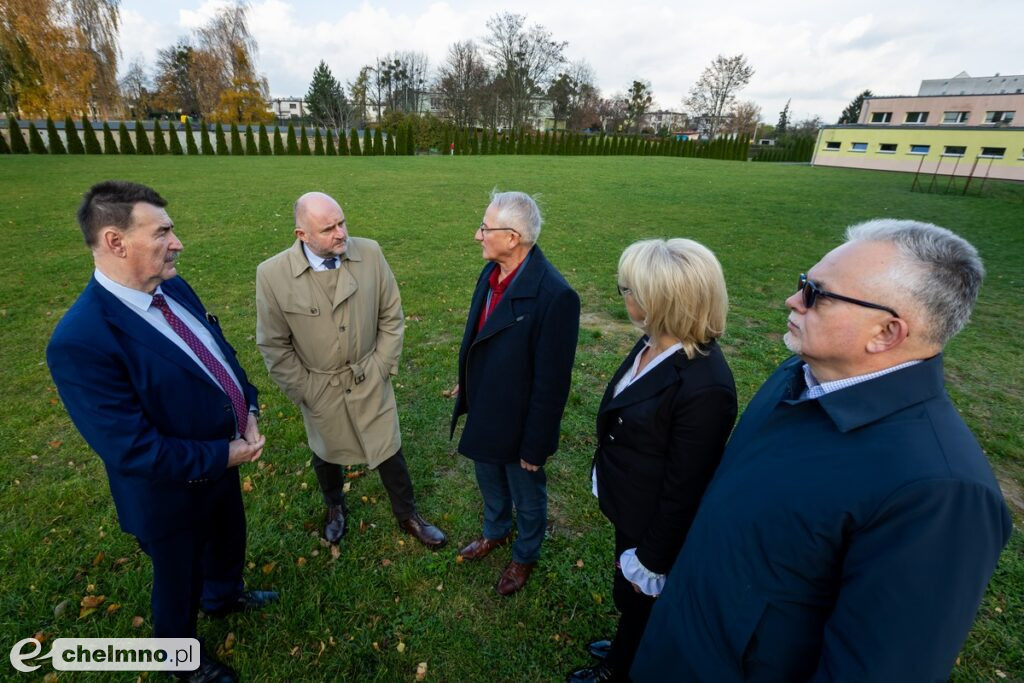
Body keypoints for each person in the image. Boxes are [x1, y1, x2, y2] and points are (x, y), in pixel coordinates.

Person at [632, 219, 1013, 682]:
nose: (792, 301)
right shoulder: (799, 375)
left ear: (886, 333)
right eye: (802, 284)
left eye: (817, 294)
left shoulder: (941, 492)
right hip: (677, 647)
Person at [46, 180, 277, 683]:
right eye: (163, 232)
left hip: (222, 462)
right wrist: (225, 454)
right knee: (177, 579)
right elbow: (132, 449)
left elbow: (217, 350)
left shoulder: (170, 285)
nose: (178, 243)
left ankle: (223, 596)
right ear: (115, 242)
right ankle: (179, 659)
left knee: (227, 539)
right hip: (168, 496)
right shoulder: (81, 341)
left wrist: (249, 404)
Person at [568, 239, 737, 682]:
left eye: (628, 288)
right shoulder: (655, 342)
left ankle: (622, 666)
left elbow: (686, 487)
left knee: (641, 595)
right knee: (628, 594)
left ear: (657, 301)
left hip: (652, 522)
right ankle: (630, 635)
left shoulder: (705, 387)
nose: (621, 294)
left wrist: (654, 559)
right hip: (631, 503)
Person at [255, 191, 445, 549]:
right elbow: (273, 344)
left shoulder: (370, 253)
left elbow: (392, 315)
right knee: (326, 451)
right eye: (328, 228)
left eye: (342, 222)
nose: (341, 233)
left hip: (369, 376)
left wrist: (381, 366)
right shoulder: (272, 274)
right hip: (320, 386)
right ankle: (334, 507)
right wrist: (307, 390)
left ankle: (408, 515)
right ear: (302, 235)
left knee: (388, 447)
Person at [451, 190, 580, 596]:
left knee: (526, 491)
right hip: (488, 409)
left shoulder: (555, 296)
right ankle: (496, 531)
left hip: (521, 422)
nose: (477, 235)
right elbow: (480, 336)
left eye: (485, 228)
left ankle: (524, 555)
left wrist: (535, 445)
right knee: (487, 476)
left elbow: (552, 383)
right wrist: (467, 382)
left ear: (512, 238)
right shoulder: (491, 275)